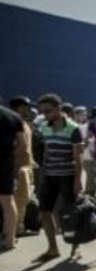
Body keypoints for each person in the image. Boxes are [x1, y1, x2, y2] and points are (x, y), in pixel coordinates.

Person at [35, 93, 84, 261]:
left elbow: (78, 158)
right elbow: (47, 150)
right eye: (42, 112)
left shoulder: (73, 128)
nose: (45, 115)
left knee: (71, 212)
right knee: (44, 211)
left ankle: (75, 248)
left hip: (67, 176)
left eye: (48, 111)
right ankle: (52, 248)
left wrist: (78, 181)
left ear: (59, 108)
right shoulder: (43, 126)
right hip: (49, 175)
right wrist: (42, 173)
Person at [0, 104, 29, 250]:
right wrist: (13, 159)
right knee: (8, 201)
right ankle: (10, 240)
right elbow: (22, 145)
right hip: (5, 164)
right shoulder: (13, 116)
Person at [8, 96, 36, 236]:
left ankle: (19, 226)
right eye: (26, 107)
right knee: (19, 198)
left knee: (24, 198)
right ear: (19, 108)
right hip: (18, 167)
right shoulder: (12, 122)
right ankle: (15, 229)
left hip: (27, 165)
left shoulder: (23, 123)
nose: (28, 110)